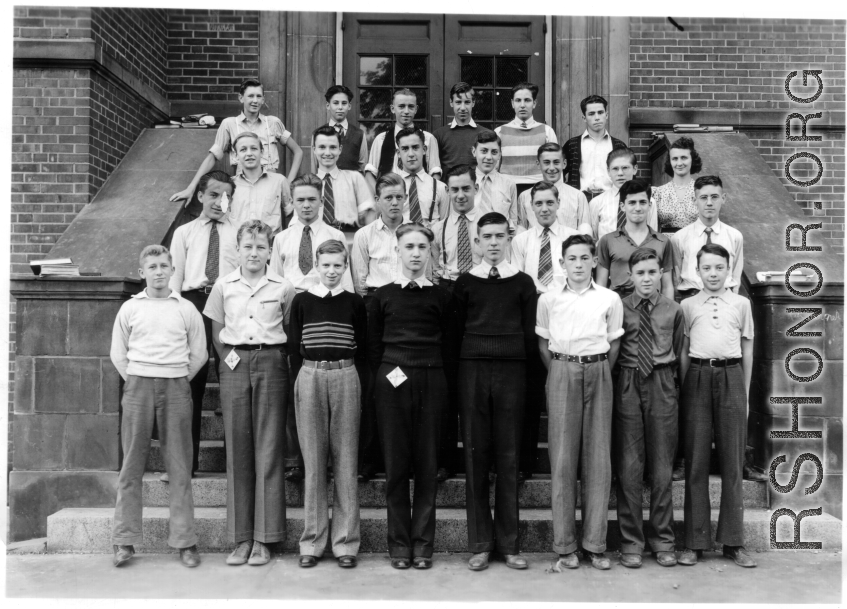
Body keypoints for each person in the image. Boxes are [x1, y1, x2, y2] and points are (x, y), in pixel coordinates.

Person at [203, 220, 296, 567]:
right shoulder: (223, 286)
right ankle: (241, 538)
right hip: (234, 361)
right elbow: (216, 332)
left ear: (270, 250)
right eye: (248, 246)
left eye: (260, 246)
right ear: (238, 249)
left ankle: (265, 538)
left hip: (271, 361)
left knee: (269, 447)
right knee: (239, 448)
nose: (254, 252)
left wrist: (273, 359)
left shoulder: (283, 287)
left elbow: (288, 327)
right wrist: (230, 361)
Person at [110, 244, 207, 568]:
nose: (159, 271)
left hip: (176, 386)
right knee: (131, 465)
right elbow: (118, 353)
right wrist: (138, 378)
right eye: (152, 267)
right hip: (138, 386)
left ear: (172, 270)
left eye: (164, 266)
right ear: (142, 272)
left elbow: (199, 353)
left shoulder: (185, 308)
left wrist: (176, 377)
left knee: (179, 466)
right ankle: (124, 541)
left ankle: (185, 542)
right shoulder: (130, 308)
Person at [367, 223, 453, 570]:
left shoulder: (442, 296)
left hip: (432, 379)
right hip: (393, 380)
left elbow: (449, 343)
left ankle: (423, 545)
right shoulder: (382, 295)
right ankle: (399, 546)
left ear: (430, 251)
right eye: (409, 247)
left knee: (427, 465)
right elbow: (373, 347)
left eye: (422, 247)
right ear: (397, 251)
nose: (415, 253)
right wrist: (387, 377)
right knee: (397, 465)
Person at [454, 211, 536, 572]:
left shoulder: (522, 283)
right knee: (476, 456)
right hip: (473, 370)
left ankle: (509, 543)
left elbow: (531, 334)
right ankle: (480, 543)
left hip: (512, 372)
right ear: (476, 241)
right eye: (486, 237)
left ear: (508, 239)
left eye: (499, 237)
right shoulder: (464, 284)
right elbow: (454, 334)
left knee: (509, 457)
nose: (492, 243)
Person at [536, 233, 623, 571]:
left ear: (593, 261)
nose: (578, 264)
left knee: (598, 458)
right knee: (562, 458)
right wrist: (562, 370)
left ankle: (595, 544)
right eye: (571, 258)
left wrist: (596, 370)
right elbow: (543, 344)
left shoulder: (608, 298)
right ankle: (565, 545)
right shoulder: (548, 300)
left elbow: (613, 343)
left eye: (584, 258)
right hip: (561, 370)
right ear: (562, 263)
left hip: (599, 370)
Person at [270, 172, 356, 481]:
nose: (306, 205)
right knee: (299, 386)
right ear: (291, 202)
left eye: (312, 200)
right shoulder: (281, 238)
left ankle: (330, 461)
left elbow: (344, 281)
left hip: (328, 311)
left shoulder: (333, 235)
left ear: (322, 201)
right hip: (295, 311)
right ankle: (297, 458)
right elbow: (276, 283)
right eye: (300, 200)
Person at [288, 239, 368, 569]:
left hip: (345, 375)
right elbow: (294, 345)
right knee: (314, 461)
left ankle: (346, 542)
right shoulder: (303, 300)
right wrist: (302, 381)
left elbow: (362, 345)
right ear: (316, 267)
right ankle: (312, 541)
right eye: (326, 265)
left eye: (338, 265)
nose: (332, 271)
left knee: (345, 459)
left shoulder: (354, 302)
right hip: (310, 376)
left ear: (345, 266)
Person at [677, 243, 757, 569]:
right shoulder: (687, 305)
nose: (713, 273)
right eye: (707, 268)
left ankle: (733, 542)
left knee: (732, 462)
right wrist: (687, 389)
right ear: (698, 271)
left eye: (719, 268)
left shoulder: (741, 304)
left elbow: (747, 350)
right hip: (697, 375)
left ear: (729, 269)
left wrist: (745, 393)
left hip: (732, 377)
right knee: (696, 461)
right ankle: (695, 542)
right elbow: (683, 352)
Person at [614, 247, 684, 569]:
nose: (646, 278)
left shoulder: (673, 309)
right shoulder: (619, 307)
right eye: (640, 272)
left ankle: (662, 539)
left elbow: (680, 350)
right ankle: (631, 541)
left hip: (661, 382)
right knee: (629, 466)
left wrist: (672, 387)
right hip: (628, 382)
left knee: (661, 466)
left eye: (652, 272)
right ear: (630, 275)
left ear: (660, 274)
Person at [169, 171, 238, 479]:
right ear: (199, 196)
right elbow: (175, 279)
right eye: (213, 194)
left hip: (229, 306)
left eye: (226, 196)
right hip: (193, 304)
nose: (219, 202)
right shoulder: (184, 233)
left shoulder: (239, 232)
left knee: (233, 383)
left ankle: (237, 465)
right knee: (190, 385)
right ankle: (186, 463)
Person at [511, 182, 579, 481]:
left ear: (558, 203)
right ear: (530, 206)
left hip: (564, 311)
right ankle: (525, 461)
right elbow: (516, 279)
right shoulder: (522, 241)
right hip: (532, 312)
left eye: (549, 203)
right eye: (538, 204)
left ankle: (568, 464)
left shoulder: (571, 238)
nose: (544, 209)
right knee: (530, 390)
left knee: (566, 388)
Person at [350, 173, 408, 482]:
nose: (394, 203)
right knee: (375, 384)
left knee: (404, 380)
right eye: (388, 197)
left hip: (408, 310)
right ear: (378, 201)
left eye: (399, 197)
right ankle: (370, 460)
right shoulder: (364, 235)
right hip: (375, 308)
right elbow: (360, 281)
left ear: (405, 199)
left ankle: (402, 459)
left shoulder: (415, 233)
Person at [170, 79, 303, 205]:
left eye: (258, 96)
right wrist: (191, 187)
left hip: (271, 191)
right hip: (242, 190)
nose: (255, 100)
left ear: (263, 99)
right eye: (250, 96)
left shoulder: (273, 123)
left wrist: (288, 183)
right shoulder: (229, 124)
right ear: (241, 98)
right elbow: (213, 157)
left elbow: (298, 151)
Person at [430, 165, 481, 482]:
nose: (460, 195)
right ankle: (446, 459)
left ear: (475, 189)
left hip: (478, 298)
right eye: (454, 189)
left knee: (474, 386)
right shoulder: (436, 228)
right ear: (447, 192)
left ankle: (479, 459)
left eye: (466, 188)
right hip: (448, 297)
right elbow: (435, 268)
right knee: (447, 384)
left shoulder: (488, 225)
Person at [596, 179, 674, 300]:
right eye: (632, 203)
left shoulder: (663, 242)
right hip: (619, 304)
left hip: (653, 305)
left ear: (649, 205)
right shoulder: (608, 241)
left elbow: (667, 285)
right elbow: (601, 285)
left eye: (642, 202)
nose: (638, 208)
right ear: (622, 206)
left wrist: (667, 313)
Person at [671, 175, 744, 301]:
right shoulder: (679, 238)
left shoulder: (734, 236)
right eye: (703, 197)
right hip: (691, 297)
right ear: (694, 200)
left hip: (726, 299)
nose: (709, 203)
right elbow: (676, 276)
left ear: (723, 198)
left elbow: (736, 275)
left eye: (714, 197)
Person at [365, 88, 442, 189]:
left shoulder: (428, 138)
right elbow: (369, 173)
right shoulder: (381, 139)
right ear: (393, 109)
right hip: (390, 197)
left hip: (419, 195)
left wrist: (429, 194)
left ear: (416, 109)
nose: (406, 111)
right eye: (401, 106)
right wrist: (380, 195)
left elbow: (435, 172)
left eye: (410, 107)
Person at [312, 125, 378, 235]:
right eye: (322, 147)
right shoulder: (308, 183)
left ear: (340, 149)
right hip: (318, 240)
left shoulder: (354, 178)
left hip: (349, 238)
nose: (327, 153)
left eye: (333, 147)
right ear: (314, 150)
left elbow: (369, 216)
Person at [495, 82, 557, 195]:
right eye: (518, 100)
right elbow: (494, 169)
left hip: (539, 191)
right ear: (512, 103)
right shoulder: (499, 132)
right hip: (507, 191)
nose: (522, 105)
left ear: (534, 103)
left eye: (527, 100)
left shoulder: (547, 131)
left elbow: (554, 167)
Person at [562, 95, 626, 201]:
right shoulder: (572, 145)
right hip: (581, 199)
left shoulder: (619, 146)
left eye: (600, 112)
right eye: (591, 114)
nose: (597, 117)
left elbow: (628, 176)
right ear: (584, 118)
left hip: (610, 199)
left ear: (606, 115)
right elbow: (561, 173)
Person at [587, 147, 658, 241]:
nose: (620, 173)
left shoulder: (648, 202)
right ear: (608, 171)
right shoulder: (597, 203)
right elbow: (595, 237)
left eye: (625, 168)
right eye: (615, 169)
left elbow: (652, 236)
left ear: (635, 169)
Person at [516, 143, 591, 233]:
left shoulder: (578, 197)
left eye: (556, 162)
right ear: (538, 164)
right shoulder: (524, 197)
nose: (551, 168)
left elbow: (585, 234)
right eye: (546, 163)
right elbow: (521, 233)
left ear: (564, 164)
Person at [230, 132, 292, 234]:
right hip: (238, 246)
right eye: (243, 149)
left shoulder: (279, 181)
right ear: (236, 156)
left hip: (270, 245)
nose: (249, 153)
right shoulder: (230, 184)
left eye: (254, 148)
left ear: (262, 152)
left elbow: (290, 214)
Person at [433, 82, 490, 177]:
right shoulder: (439, 135)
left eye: (467, 102)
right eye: (458, 102)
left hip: (477, 188)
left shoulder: (485, 134)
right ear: (451, 103)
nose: (462, 108)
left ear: (473, 103)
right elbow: (434, 168)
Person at [310, 84, 369, 174]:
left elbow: (363, 167)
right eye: (336, 103)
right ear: (328, 106)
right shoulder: (318, 134)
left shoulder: (359, 134)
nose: (340, 107)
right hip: (327, 185)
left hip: (351, 185)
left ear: (349, 106)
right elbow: (314, 167)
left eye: (344, 103)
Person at [396, 127, 449, 226]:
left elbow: (444, 227)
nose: (411, 154)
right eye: (405, 149)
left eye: (415, 147)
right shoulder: (392, 187)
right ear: (399, 153)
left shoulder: (440, 188)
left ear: (424, 150)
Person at [653, 136, 703, 232]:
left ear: (692, 159)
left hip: (695, 243)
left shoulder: (701, 191)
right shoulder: (658, 193)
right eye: (675, 159)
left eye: (684, 158)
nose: (679, 163)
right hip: (667, 245)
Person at [472, 130, 519, 230]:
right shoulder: (466, 182)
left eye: (494, 152)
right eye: (484, 151)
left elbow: (513, 220)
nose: (489, 157)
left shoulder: (508, 184)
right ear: (474, 152)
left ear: (499, 155)